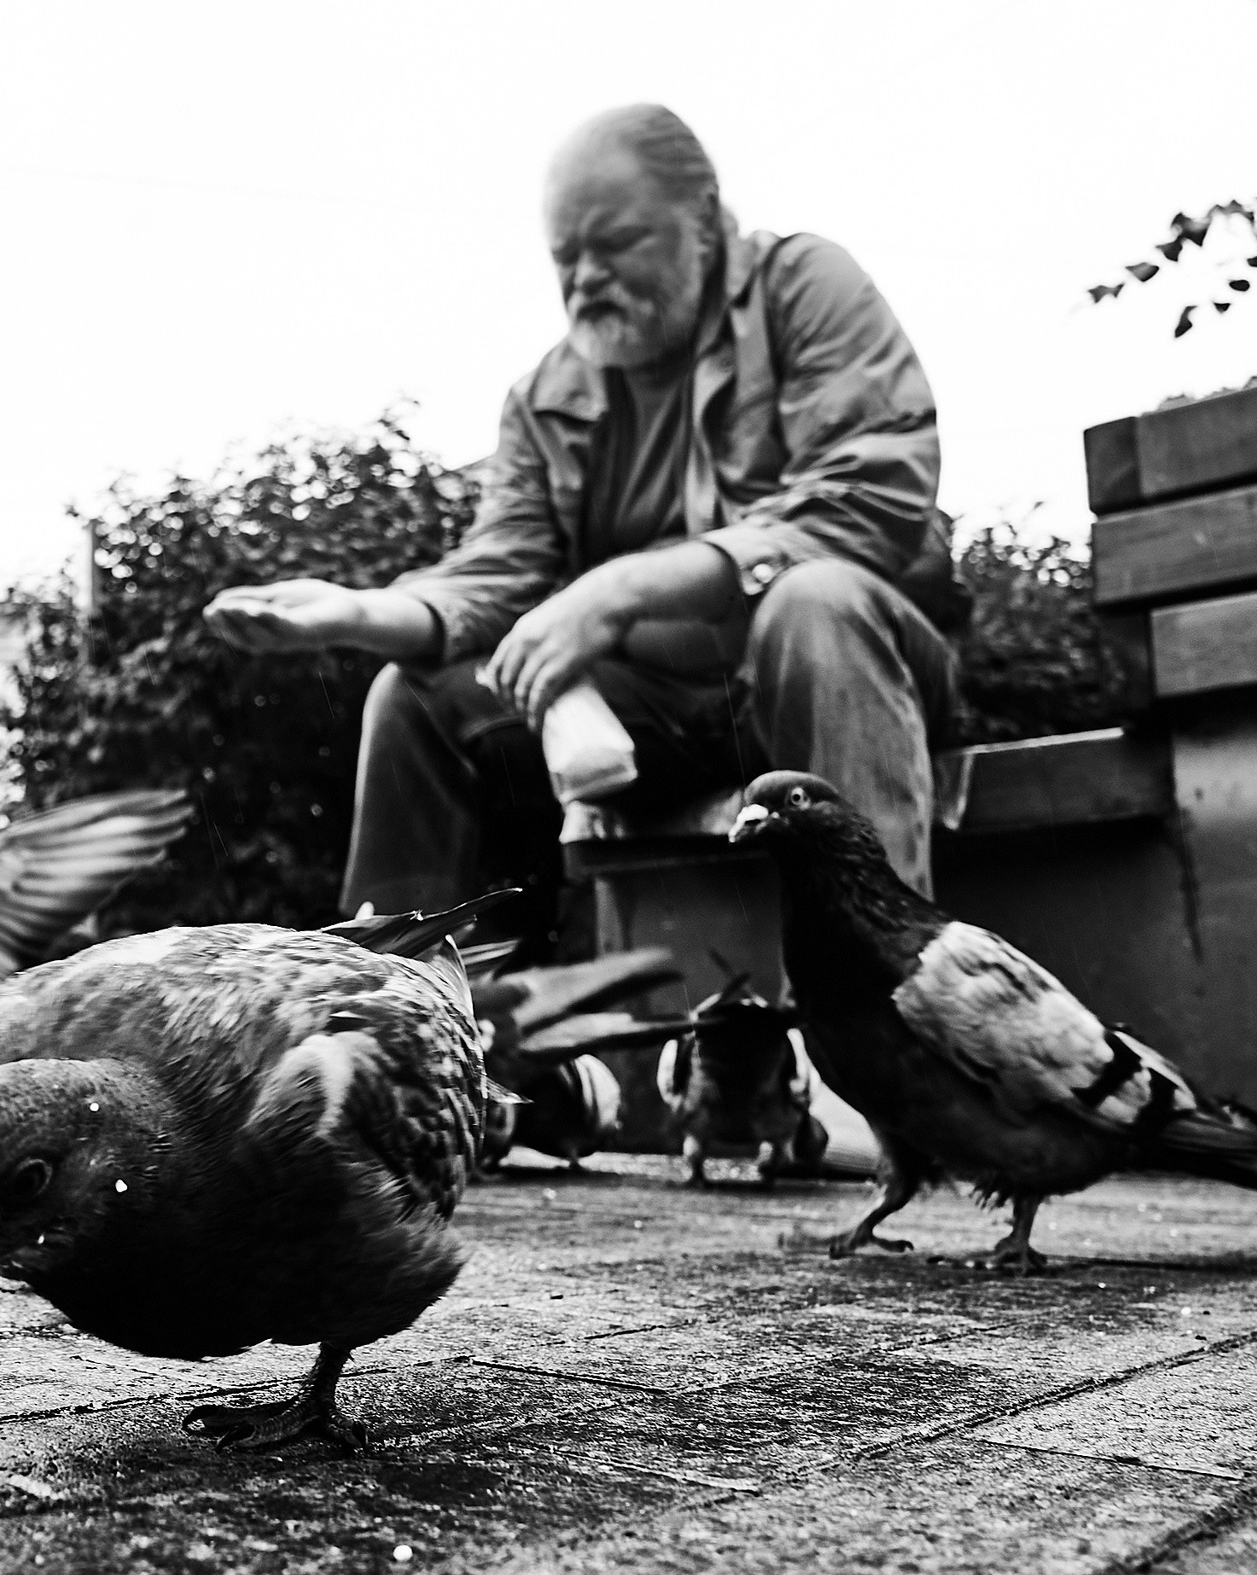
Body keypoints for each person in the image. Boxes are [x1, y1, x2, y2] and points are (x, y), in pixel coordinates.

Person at [205, 104, 956, 946]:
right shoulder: (544, 398)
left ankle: (885, 993)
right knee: (414, 695)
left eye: (616, 242)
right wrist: (355, 612)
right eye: (567, 256)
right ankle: (387, 1022)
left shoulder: (805, 287)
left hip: (847, 675)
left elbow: (871, 499)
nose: (587, 276)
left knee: (812, 602)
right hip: (664, 721)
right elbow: (500, 574)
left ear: (704, 219)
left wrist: (618, 590)